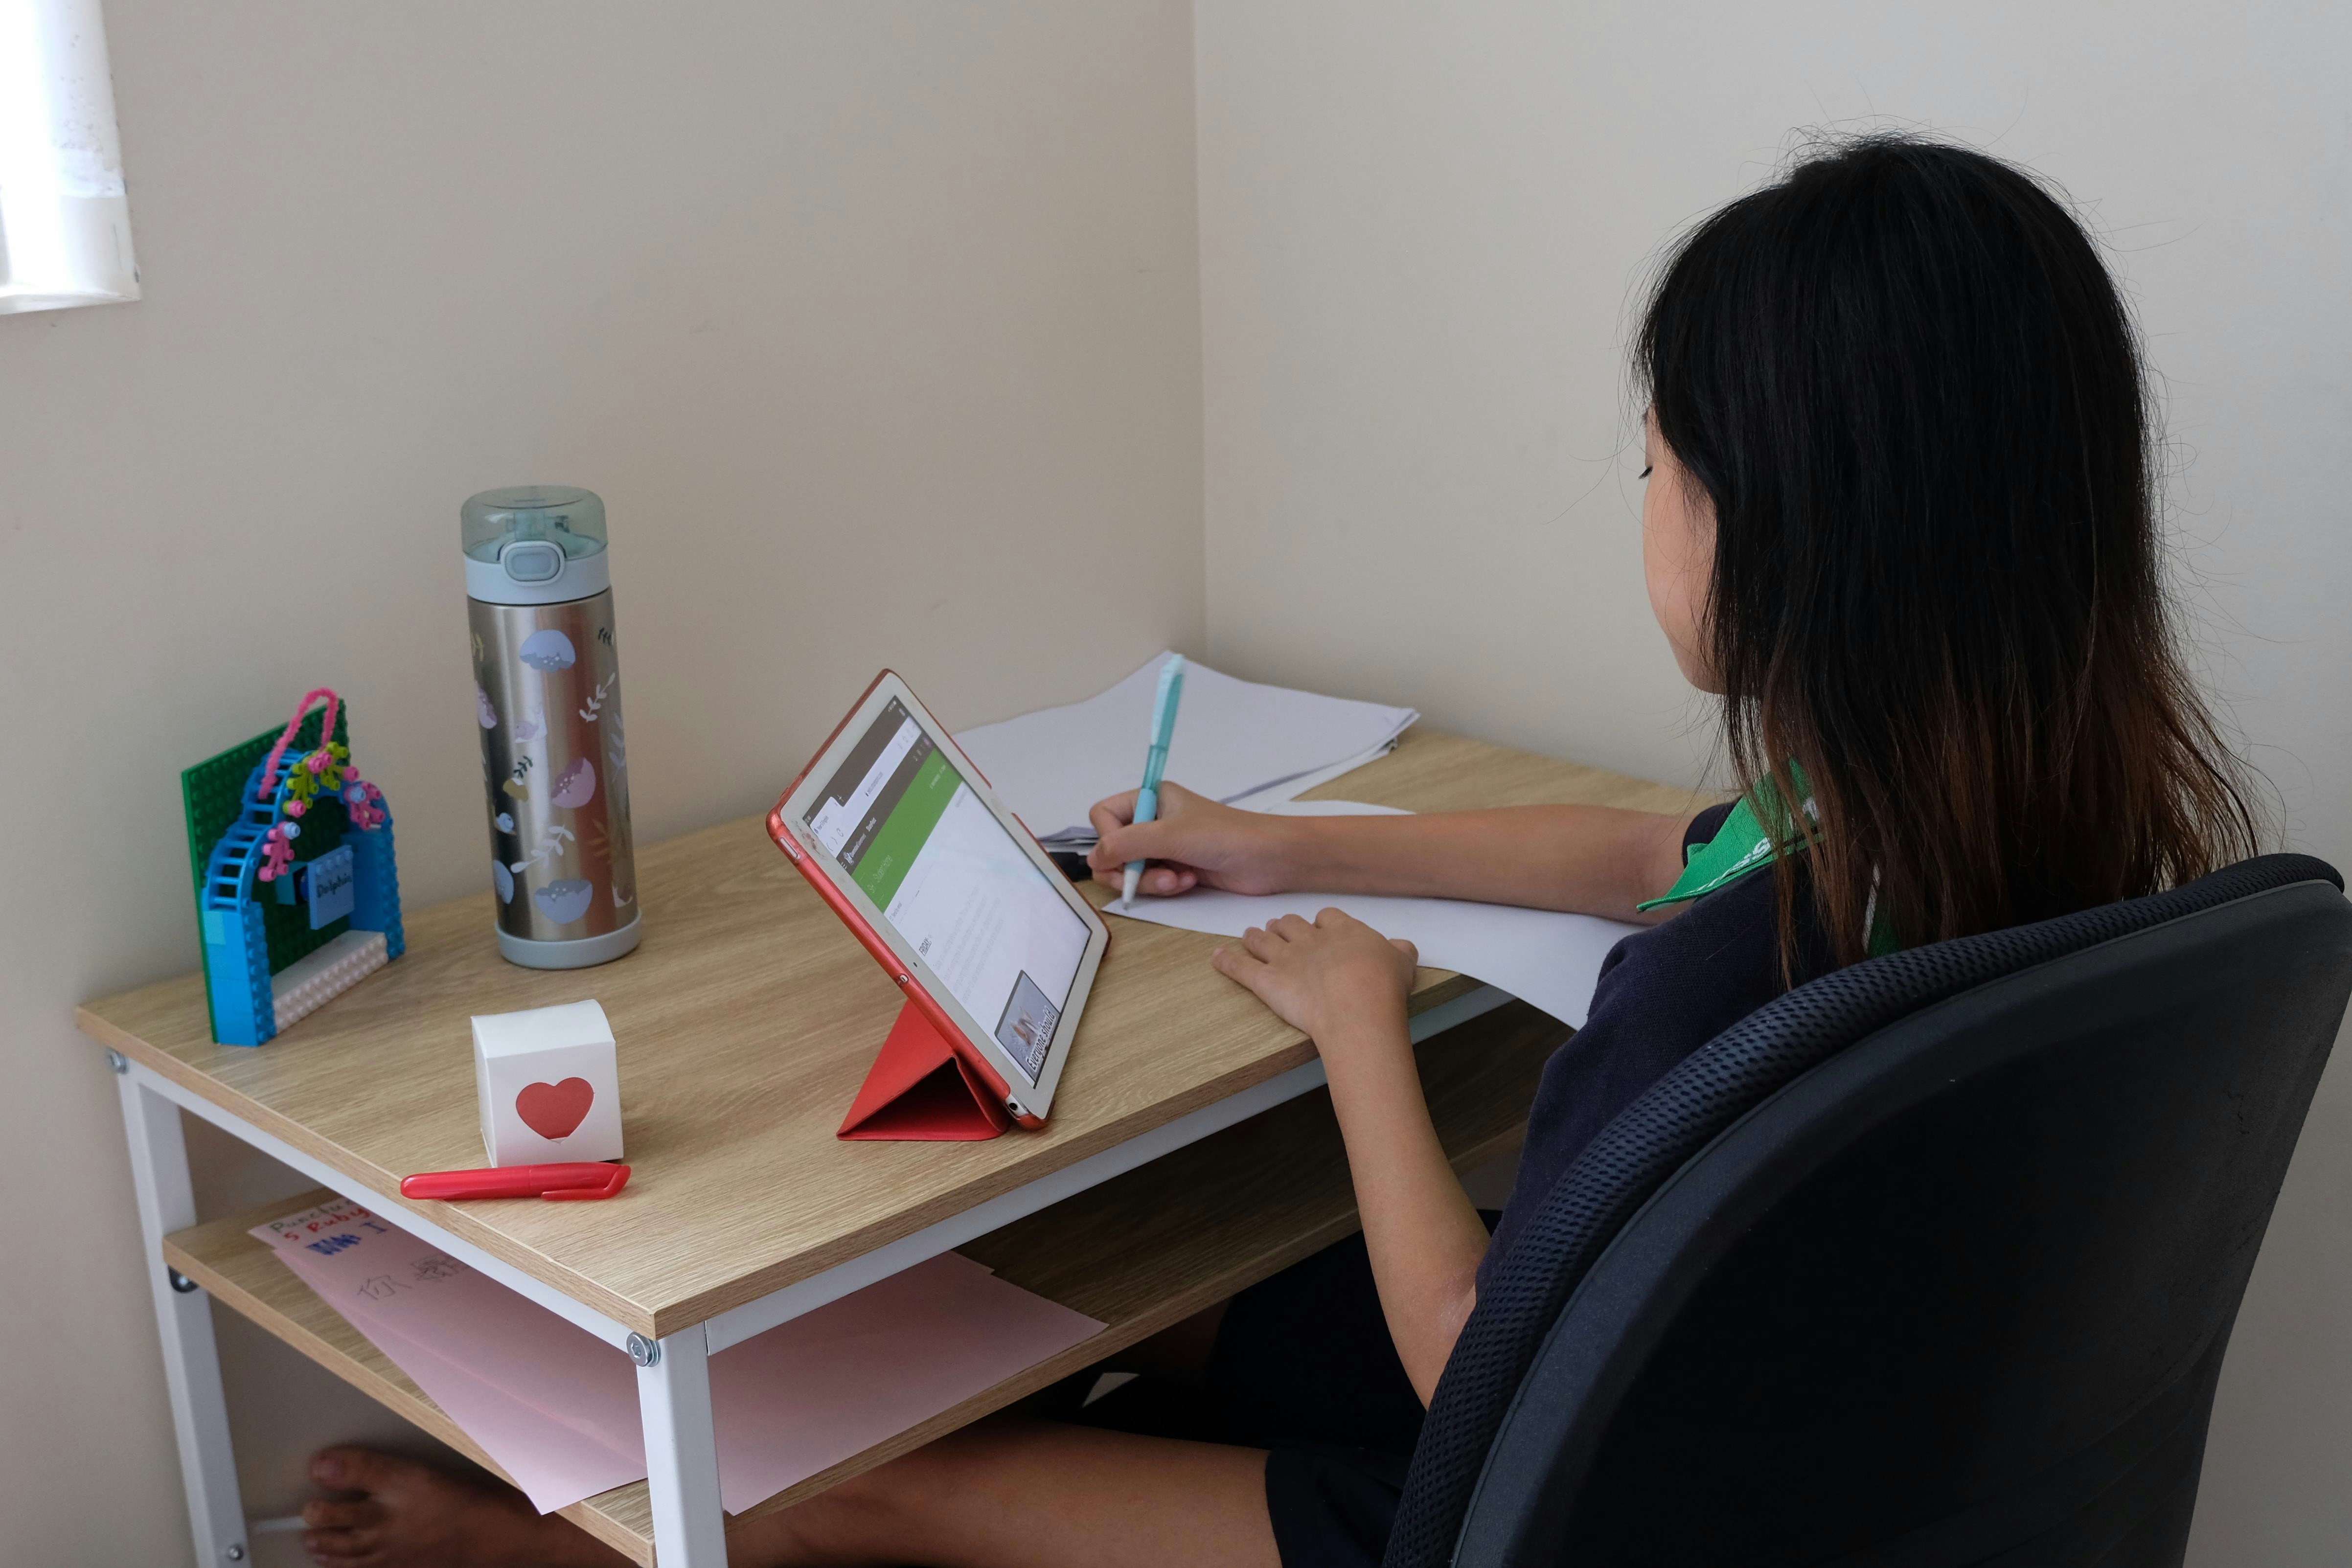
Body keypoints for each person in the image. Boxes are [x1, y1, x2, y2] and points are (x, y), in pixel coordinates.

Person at [295, 132, 2257, 1568]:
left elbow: (1466, 1360)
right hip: (1758, 1439)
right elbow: (1650, 844)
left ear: (1780, 540)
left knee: (882, 1474)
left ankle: (543, 1543)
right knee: (1096, 1289)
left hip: (1505, 1503)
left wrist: (1358, 1025)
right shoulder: (2018, 834)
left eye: (1659, 461)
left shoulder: (1703, 997)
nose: (1645, 496)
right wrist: (1274, 840)